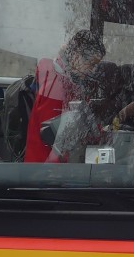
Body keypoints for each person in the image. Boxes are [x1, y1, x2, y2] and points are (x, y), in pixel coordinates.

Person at [24, 29, 106, 162]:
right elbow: (54, 139)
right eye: (91, 64)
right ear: (76, 56)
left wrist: (99, 133)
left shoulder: (71, 82)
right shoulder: (55, 86)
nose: (92, 70)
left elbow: (82, 118)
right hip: (46, 167)